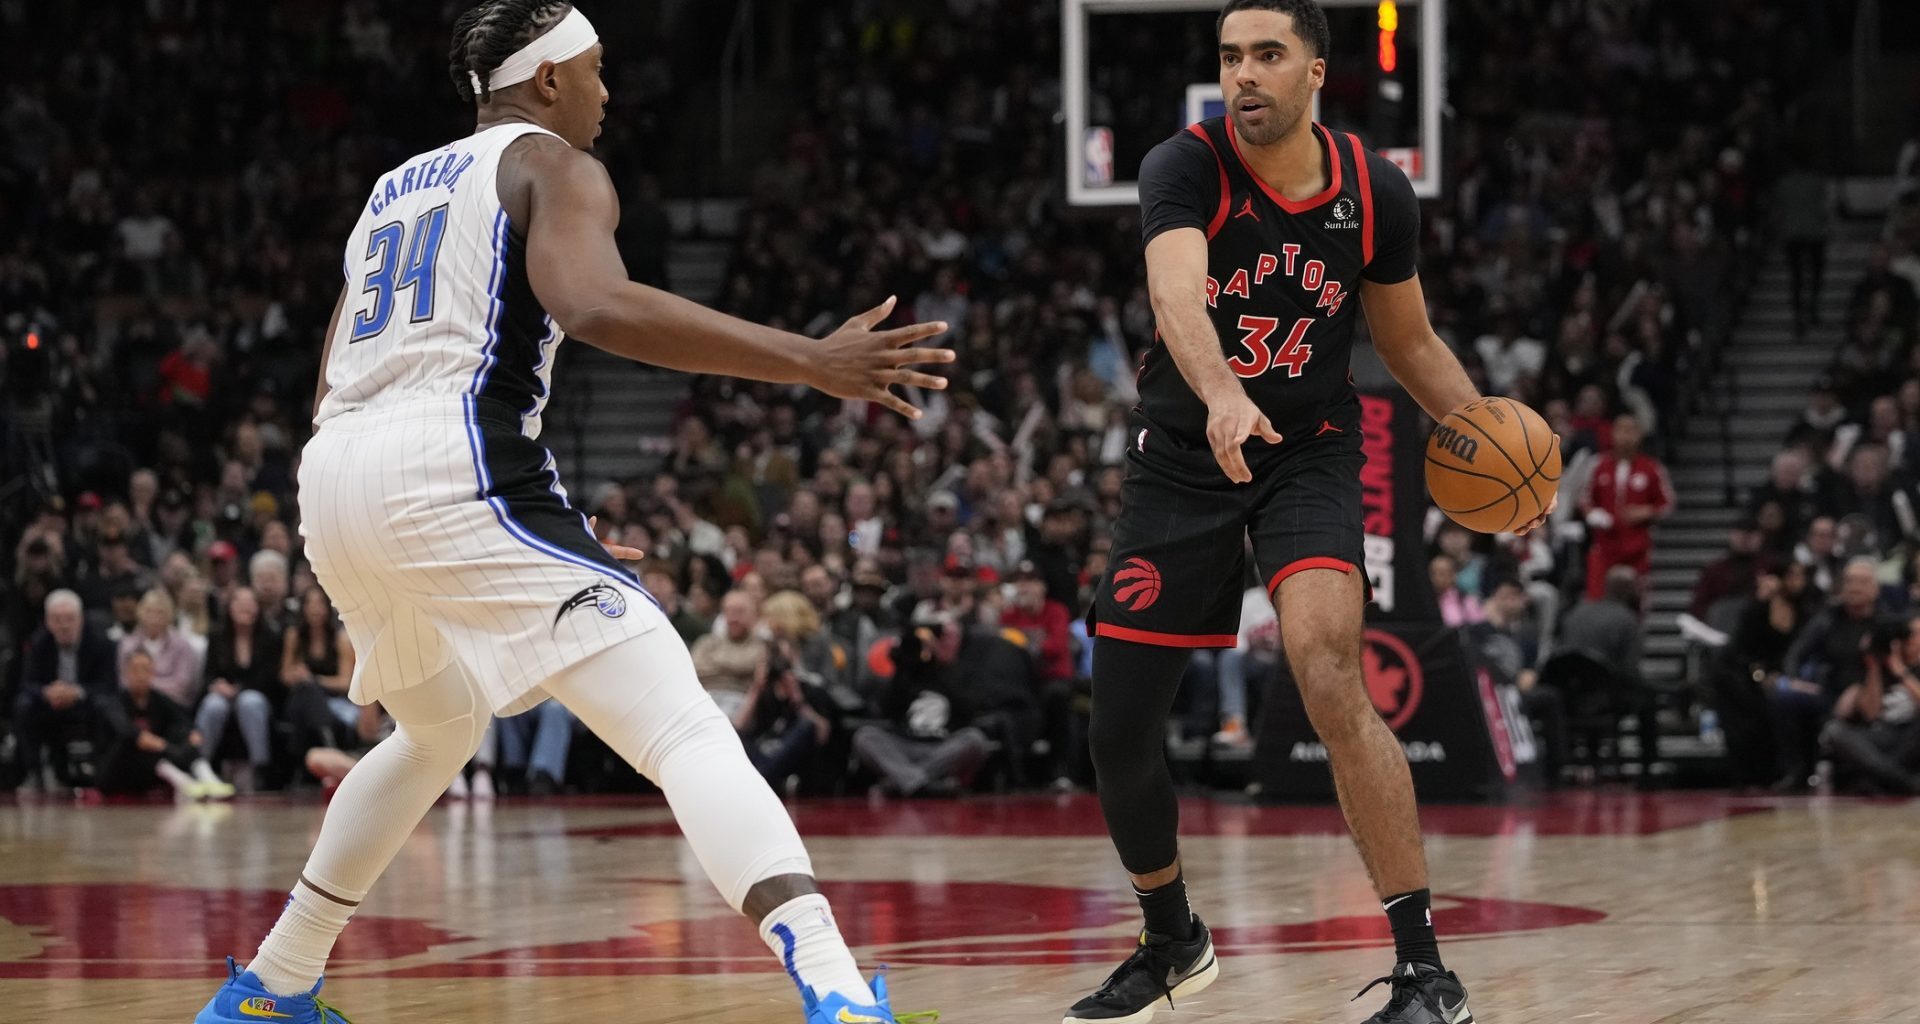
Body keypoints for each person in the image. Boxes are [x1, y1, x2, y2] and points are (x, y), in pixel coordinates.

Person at [192, 5, 952, 1022]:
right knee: (683, 724)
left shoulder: (390, 190)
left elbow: (345, 371)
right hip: (446, 465)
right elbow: (594, 304)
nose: (609, 92)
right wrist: (808, 360)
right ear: (547, 83)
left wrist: (520, 517)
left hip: (337, 471)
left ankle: (275, 984)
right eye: (597, 71)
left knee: (437, 727)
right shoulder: (554, 165)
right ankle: (840, 991)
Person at [1070, 4, 1548, 1020]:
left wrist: (1492, 446)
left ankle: (1425, 967)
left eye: (1267, 55)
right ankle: (1172, 939)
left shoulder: (1374, 190)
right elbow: (1176, 299)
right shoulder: (1184, 164)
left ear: (1316, 72)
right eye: (1230, 56)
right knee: (1118, 727)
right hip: (1184, 456)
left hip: (1311, 457)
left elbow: (1410, 344)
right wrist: (1224, 394)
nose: (1244, 74)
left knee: (1329, 670)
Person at [1772, 557, 1883, 792]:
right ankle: (1797, 772)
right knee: (1784, 697)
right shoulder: (1828, 618)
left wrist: (1859, 690)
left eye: (1861, 581)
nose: (1854, 587)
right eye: (1849, 581)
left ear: (1875, 588)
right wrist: (1796, 681)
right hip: (1830, 692)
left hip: (1876, 694)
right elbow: (1795, 653)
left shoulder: (1886, 621)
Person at [14, 590, 118, 793]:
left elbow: (107, 684)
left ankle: (101, 772)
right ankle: (33, 772)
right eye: (56, 619)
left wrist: (77, 692)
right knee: (23, 705)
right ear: (47, 621)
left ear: (80, 620)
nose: (63, 625)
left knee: (106, 707)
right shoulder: (38, 642)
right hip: (50, 703)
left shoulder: (100, 642)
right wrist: (47, 692)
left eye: (69, 619)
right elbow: (27, 683)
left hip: (86, 702)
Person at [1578, 413, 1674, 601]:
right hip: (1605, 543)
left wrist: (1648, 511)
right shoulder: (1598, 465)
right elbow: (1583, 497)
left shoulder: (1652, 468)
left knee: (1636, 597)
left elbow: (1667, 503)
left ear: (1639, 435)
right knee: (1597, 595)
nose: (1625, 436)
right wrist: (1592, 513)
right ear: (1612, 434)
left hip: (1636, 546)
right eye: (1621, 430)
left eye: (1631, 431)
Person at [198, 586, 283, 792]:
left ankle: (259, 767)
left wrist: (238, 690)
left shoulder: (270, 637)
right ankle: (200, 764)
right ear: (230, 608)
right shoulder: (217, 636)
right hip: (223, 694)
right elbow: (207, 674)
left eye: (250, 604)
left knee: (249, 702)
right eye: (240, 603)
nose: (245, 608)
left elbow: (270, 679)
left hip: (258, 695)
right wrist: (217, 685)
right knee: (213, 706)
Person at [91, 649, 209, 798]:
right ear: (125, 673)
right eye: (135, 670)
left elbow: (182, 719)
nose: (140, 675)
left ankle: (206, 775)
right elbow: (127, 731)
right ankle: (182, 780)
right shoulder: (113, 701)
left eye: (145, 670)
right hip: (115, 772)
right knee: (133, 741)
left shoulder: (159, 699)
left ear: (153, 673)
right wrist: (163, 746)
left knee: (181, 732)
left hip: (149, 769)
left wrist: (191, 733)